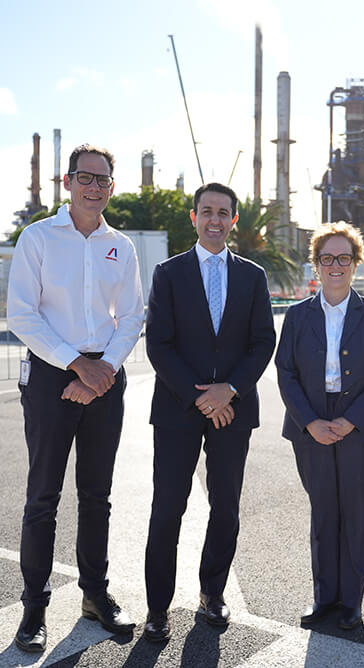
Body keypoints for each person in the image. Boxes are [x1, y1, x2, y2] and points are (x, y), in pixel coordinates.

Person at [7, 144, 145, 653]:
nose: (94, 187)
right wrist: (76, 364)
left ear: (112, 187)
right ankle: (34, 609)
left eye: (103, 180)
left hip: (105, 375)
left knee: (97, 496)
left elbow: (132, 315)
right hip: (50, 376)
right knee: (43, 497)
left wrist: (102, 368)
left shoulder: (121, 246)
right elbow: (22, 315)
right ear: (67, 183)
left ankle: (95, 596)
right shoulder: (38, 238)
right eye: (85, 178)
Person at [143, 182, 275, 642]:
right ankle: (157, 608)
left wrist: (229, 391)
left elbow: (263, 342)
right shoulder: (168, 272)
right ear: (194, 217)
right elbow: (158, 343)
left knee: (226, 508)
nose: (215, 219)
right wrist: (201, 397)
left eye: (223, 212)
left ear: (234, 219)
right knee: (167, 508)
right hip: (179, 409)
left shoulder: (253, 276)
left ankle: (212, 593)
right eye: (207, 211)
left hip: (233, 411)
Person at [275, 222, 364, 631]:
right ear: (317, 265)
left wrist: (350, 419)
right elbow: (285, 372)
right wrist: (310, 422)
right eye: (327, 258)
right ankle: (324, 597)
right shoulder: (296, 316)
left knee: (355, 513)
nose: (336, 265)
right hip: (310, 422)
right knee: (323, 511)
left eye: (344, 257)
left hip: (359, 424)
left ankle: (351, 602)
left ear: (355, 263)